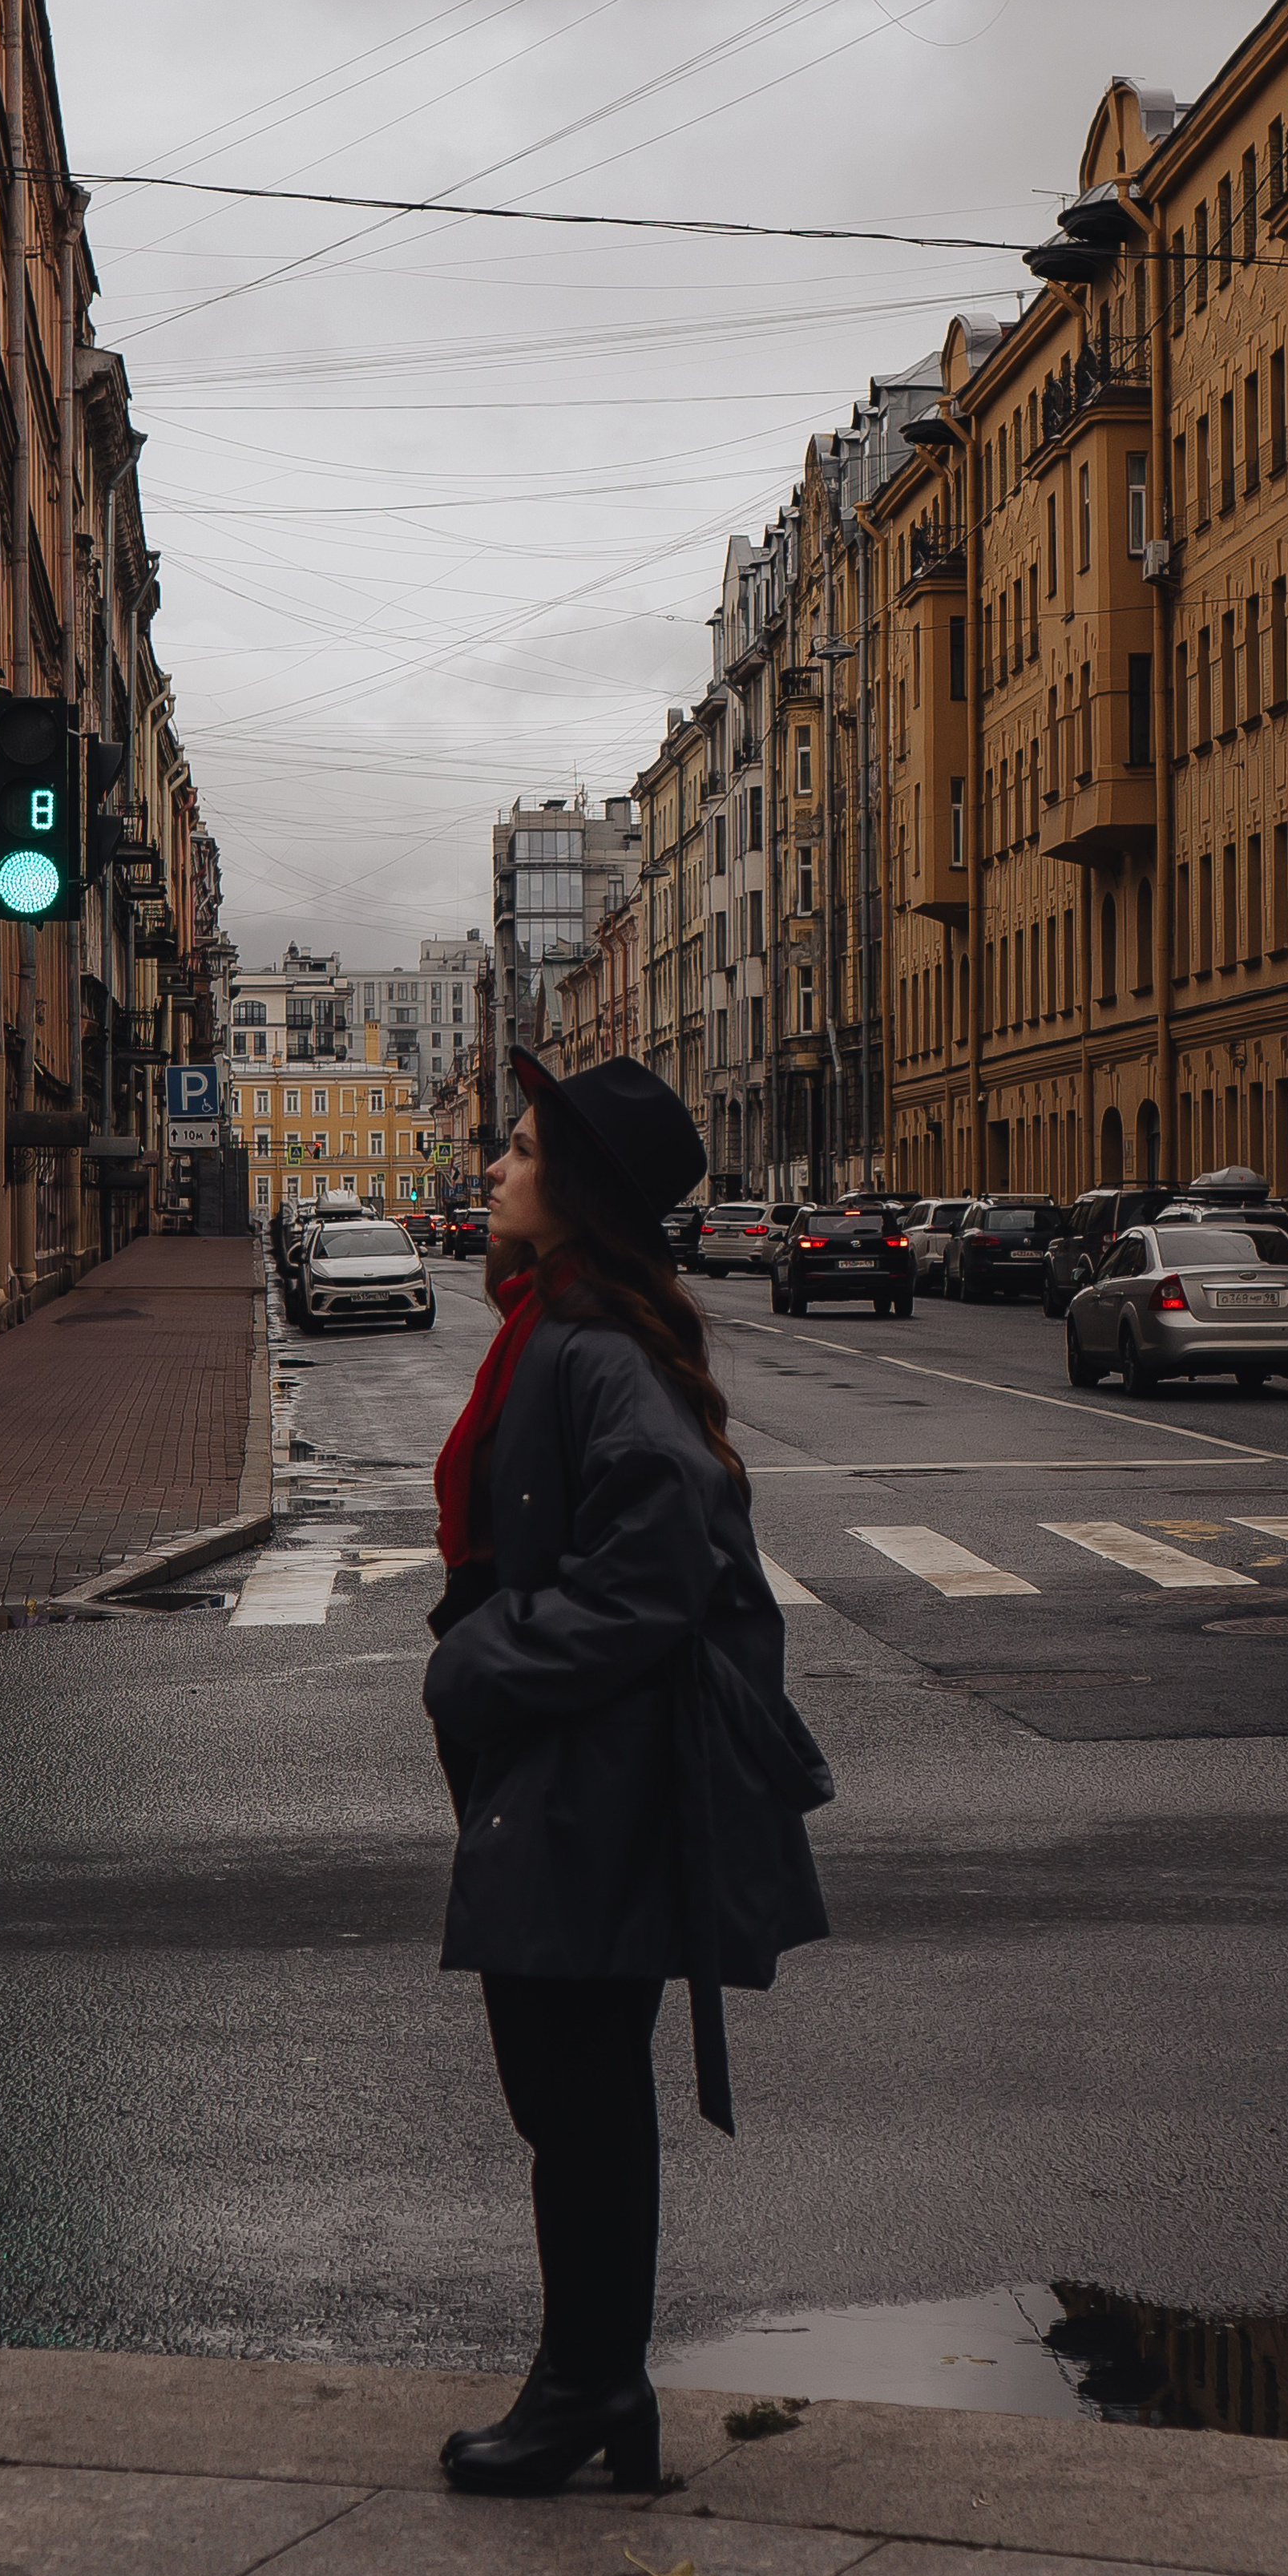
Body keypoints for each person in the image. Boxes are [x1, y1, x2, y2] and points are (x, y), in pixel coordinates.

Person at [424, 1050, 832, 2499]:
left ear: (578, 1193)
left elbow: (656, 1566)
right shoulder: (559, 1328)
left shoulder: (591, 1348)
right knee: (574, 2090)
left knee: (577, 2092)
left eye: (520, 1152)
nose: (494, 1169)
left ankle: (589, 2384)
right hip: (575, 1766)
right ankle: (596, 2383)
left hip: (597, 1775)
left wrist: (480, 1663)